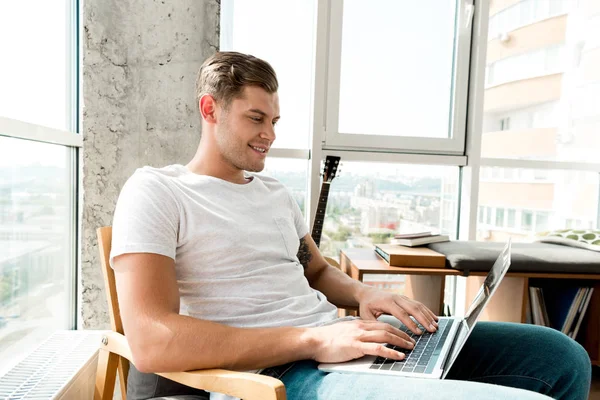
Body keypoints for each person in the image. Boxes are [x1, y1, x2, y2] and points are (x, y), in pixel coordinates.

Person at [110, 51, 591, 400]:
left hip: (338, 342)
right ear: (209, 109)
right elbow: (152, 341)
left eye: (275, 120)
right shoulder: (157, 191)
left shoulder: (272, 193)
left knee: (561, 358)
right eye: (255, 118)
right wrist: (315, 339)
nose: (270, 135)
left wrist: (364, 297)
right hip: (276, 373)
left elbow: (316, 271)